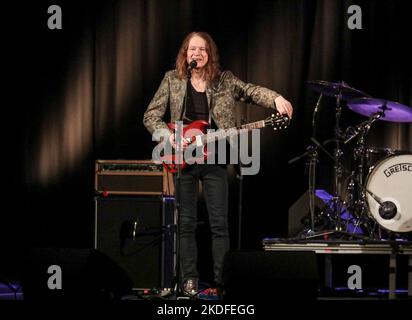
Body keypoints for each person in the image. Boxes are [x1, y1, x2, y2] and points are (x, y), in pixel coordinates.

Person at [143, 31, 293, 296]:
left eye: (202, 49)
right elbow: (151, 116)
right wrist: (171, 137)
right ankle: (188, 280)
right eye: (192, 50)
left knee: (219, 223)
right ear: (185, 54)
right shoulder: (172, 80)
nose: (196, 54)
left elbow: (250, 91)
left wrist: (275, 99)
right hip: (183, 159)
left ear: (209, 54)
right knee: (186, 222)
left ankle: (222, 282)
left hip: (215, 157)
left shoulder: (224, 80)